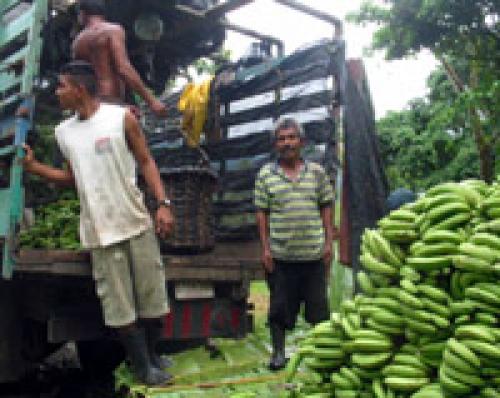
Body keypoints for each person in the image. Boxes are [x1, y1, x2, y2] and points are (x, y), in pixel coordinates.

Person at [23, 61, 173, 385]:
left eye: (61, 86)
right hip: (100, 231)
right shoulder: (64, 133)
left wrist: (162, 204)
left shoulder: (121, 119)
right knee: (119, 307)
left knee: (153, 298)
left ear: (79, 89)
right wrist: (34, 167)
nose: (57, 92)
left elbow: (146, 161)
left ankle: (151, 356)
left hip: (135, 220)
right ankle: (143, 367)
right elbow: (71, 178)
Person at [254, 117, 336, 370]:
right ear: (275, 144)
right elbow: (261, 213)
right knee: (279, 309)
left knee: (318, 310)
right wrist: (266, 248)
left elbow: (326, 206)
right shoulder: (266, 174)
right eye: (281, 138)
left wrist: (328, 243)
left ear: (302, 142)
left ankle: (322, 353)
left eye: (291, 137)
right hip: (281, 257)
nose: (287, 143)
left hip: (313, 255)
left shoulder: (317, 173)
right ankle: (278, 353)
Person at [72, 0, 167, 117]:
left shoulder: (77, 42)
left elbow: (79, 78)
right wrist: (152, 101)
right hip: (111, 100)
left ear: (83, 13)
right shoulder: (112, 30)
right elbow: (123, 68)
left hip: (92, 105)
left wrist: (122, 106)